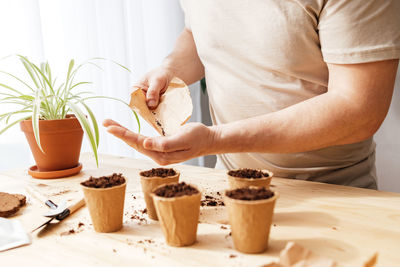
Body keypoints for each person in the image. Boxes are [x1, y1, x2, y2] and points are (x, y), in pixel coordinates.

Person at [103, 0, 400, 189]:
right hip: (228, 185)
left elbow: (359, 109)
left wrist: (215, 140)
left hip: (332, 193)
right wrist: (170, 69)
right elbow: (198, 32)